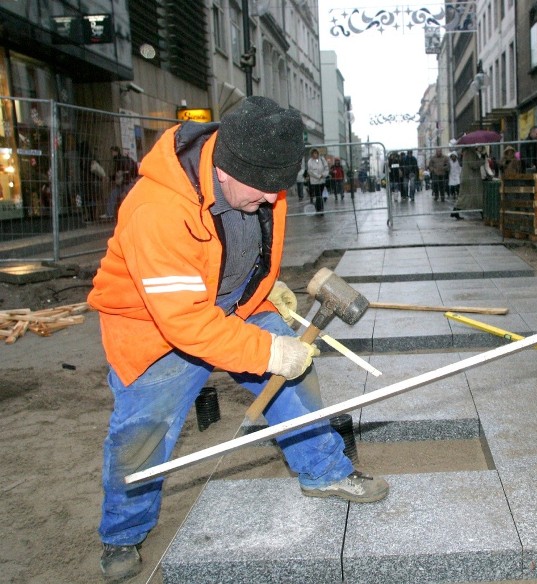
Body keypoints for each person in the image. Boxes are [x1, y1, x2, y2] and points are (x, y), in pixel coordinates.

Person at [88, 96, 389, 582]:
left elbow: (243, 247)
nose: (273, 200)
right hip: (155, 328)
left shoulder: (259, 184)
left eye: (279, 189)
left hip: (234, 307)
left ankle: (324, 472)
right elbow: (184, 321)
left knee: (296, 383)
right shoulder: (157, 209)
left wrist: (267, 289)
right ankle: (122, 533)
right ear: (226, 169)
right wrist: (269, 350)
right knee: (141, 432)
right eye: (265, 189)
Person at [101, 146, 139, 220]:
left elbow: (118, 172)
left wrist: (111, 177)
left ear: (116, 152)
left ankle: (110, 213)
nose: (111, 154)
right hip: (125, 182)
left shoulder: (119, 160)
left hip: (125, 182)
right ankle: (110, 213)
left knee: (122, 196)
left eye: (112, 152)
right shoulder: (121, 159)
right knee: (116, 195)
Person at [452, 146, 486, 220]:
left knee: (467, 197)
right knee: (472, 196)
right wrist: (482, 160)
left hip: (470, 179)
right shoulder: (470, 152)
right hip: (470, 179)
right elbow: (473, 164)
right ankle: (483, 213)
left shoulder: (468, 152)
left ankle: (455, 211)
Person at [306, 147, 328, 215]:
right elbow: (310, 171)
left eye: (316, 153)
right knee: (318, 195)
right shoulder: (310, 161)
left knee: (320, 194)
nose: (315, 155)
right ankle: (320, 209)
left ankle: (318, 207)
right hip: (314, 181)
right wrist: (318, 176)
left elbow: (326, 168)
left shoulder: (322, 159)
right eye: (313, 153)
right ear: (311, 154)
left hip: (322, 180)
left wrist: (323, 175)